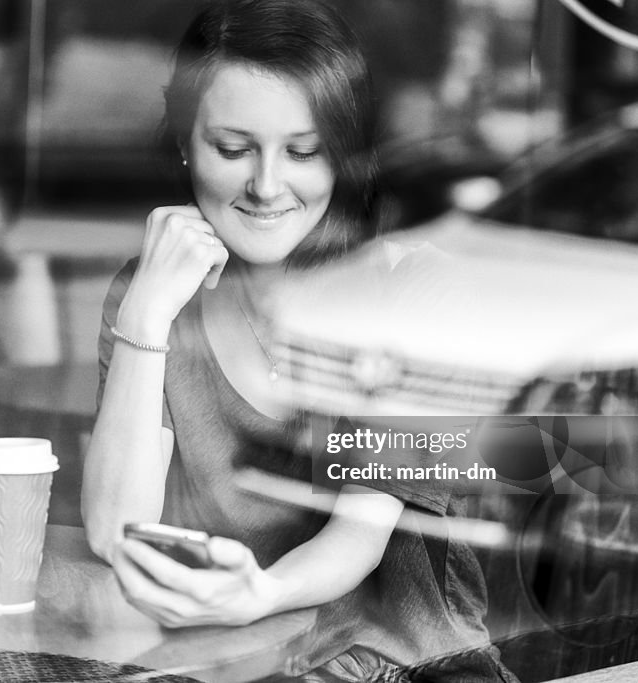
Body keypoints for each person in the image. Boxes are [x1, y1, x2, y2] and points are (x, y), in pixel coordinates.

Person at [82, 1, 516, 680]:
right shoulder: (153, 292)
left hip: (409, 668)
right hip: (239, 664)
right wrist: (143, 318)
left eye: (304, 150)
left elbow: (360, 534)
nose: (266, 184)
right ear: (183, 142)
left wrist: (263, 593)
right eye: (233, 148)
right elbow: (116, 533)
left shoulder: (421, 293)